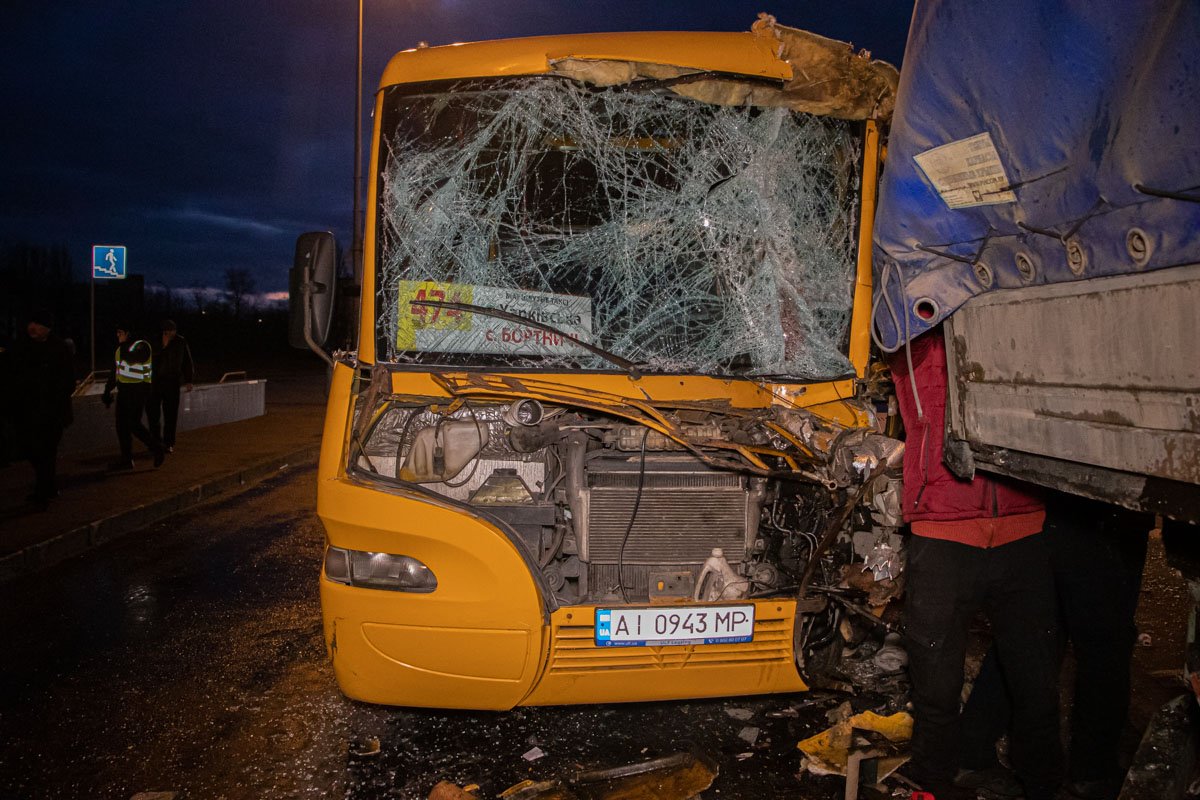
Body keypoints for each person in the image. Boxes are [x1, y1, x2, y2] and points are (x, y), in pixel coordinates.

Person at [891, 329, 1062, 800]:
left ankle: (1044, 784)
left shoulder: (1024, 326)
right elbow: (891, 317)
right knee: (936, 690)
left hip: (1023, 527)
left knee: (1036, 687)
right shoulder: (918, 337)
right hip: (943, 533)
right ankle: (932, 783)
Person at [958, 494, 1151, 800]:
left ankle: (973, 747)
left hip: (1050, 505)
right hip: (1105, 508)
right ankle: (1092, 770)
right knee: (1104, 643)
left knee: (1032, 631)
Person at [9, 310, 75, 510]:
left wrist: (53, 399)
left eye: (37, 324)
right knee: (32, 450)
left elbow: (68, 382)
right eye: (31, 322)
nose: (32, 327)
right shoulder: (23, 348)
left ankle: (43, 492)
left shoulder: (59, 349)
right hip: (29, 411)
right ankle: (47, 487)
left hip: (51, 412)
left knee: (46, 451)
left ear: (47, 327)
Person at [102, 324, 164, 470]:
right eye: (117, 332)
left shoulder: (142, 345)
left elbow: (132, 358)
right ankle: (126, 459)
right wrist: (107, 391)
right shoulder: (120, 349)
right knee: (121, 426)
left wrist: (124, 344)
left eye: (120, 332)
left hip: (139, 391)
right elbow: (115, 372)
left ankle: (157, 448)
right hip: (124, 392)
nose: (118, 335)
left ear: (129, 333)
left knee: (133, 424)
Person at [146, 318, 194, 453]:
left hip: (172, 382)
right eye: (167, 332)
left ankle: (168, 443)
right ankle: (155, 442)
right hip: (155, 382)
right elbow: (151, 358)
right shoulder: (154, 341)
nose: (169, 335)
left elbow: (187, 362)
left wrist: (189, 379)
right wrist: (163, 347)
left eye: (172, 332)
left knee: (170, 415)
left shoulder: (181, 342)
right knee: (153, 415)